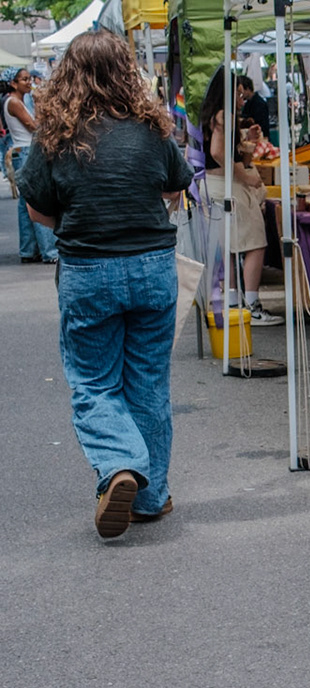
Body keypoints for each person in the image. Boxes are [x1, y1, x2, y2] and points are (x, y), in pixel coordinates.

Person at [19, 31, 193, 537]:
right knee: (148, 382)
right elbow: (175, 186)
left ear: (68, 75)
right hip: (153, 268)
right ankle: (150, 497)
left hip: (88, 270)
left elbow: (37, 210)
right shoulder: (151, 127)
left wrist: (83, 218)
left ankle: (119, 464)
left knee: (94, 383)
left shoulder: (54, 134)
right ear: (125, 72)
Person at [199, 75, 278, 328]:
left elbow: (223, 151)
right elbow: (217, 152)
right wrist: (245, 177)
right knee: (255, 241)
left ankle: (233, 303)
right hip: (227, 186)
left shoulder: (211, 116)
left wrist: (247, 143)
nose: (242, 99)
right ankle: (253, 306)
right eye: (239, 93)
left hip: (211, 186)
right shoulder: (225, 115)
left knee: (230, 247)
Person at [7, 68, 61, 263]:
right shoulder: (14, 102)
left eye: (29, 79)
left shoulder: (17, 101)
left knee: (25, 204)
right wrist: (40, 107)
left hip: (21, 151)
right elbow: (34, 126)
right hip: (25, 151)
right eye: (24, 80)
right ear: (13, 83)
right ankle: (49, 251)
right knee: (36, 199)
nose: (29, 83)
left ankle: (28, 249)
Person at [234, 74, 274, 142]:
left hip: (260, 138)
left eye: (241, 92)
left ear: (247, 89)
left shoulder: (259, 104)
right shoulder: (249, 103)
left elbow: (261, 125)